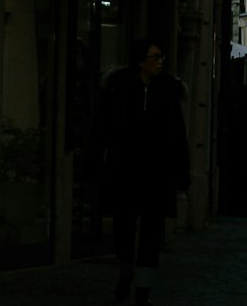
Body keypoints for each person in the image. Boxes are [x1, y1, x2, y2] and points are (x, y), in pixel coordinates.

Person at [87, 38, 190, 306]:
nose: (160, 61)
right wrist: (94, 162)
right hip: (125, 167)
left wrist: (181, 171)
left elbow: (178, 133)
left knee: (152, 231)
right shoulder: (119, 87)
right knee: (124, 225)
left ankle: (143, 286)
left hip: (157, 170)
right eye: (154, 57)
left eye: (160, 57)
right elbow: (102, 128)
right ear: (141, 60)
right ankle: (126, 270)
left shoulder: (168, 89)